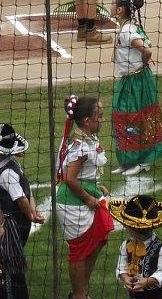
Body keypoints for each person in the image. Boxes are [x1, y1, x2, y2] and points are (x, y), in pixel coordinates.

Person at [0, 116, 45, 299]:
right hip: (15, 222)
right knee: (9, 261)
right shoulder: (12, 165)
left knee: (10, 265)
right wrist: (32, 212)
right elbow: (28, 192)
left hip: (11, 226)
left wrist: (30, 214)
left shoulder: (6, 174)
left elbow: (21, 198)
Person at [55, 94, 114, 299]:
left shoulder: (89, 138)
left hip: (86, 194)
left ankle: (82, 289)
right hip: (73, 202)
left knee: (99, 239)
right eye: (100, 116)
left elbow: (83, 174)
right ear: (87, 121)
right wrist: (89, 198)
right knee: (80, 250)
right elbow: (70, 179)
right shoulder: (80, 144)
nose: (103, 120)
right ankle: (79, 295)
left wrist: (97, 187)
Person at [110, 0, 162, 175]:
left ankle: (143, 161)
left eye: (113, 4)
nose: (110, 6)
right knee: (124, 116)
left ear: (119, 10)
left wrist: (143, 63)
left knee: (135, 117)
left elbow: (146, 50)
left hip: (137, 80)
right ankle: (128, 160)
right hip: (130, 80)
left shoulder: (128, 31)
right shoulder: (128, 27)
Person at [108, 194, 162, 299]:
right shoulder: (126, 245)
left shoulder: (160, 248)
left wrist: (147, 281)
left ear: (132, 228)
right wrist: (125, 278)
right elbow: (121, 267)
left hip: (155, 296)